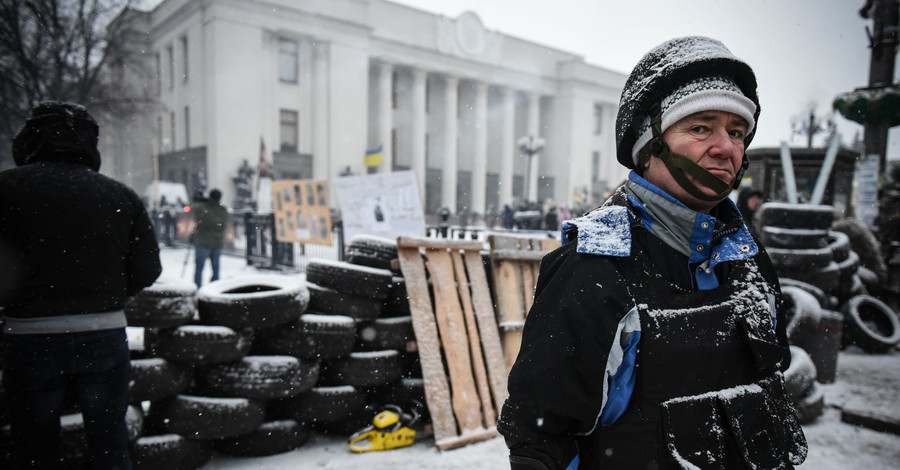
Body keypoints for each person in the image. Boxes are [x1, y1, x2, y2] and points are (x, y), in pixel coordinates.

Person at [497, 37, 807, 469]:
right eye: (700, 127)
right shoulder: (591, 267)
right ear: (648, 147)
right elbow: (542, 438)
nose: (725, 147)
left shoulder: (747, 255)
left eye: (736, 132)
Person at [0, 101, 162, 469]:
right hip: (103, 336)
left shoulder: (6, 189)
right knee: (109, 445)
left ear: (30, 138)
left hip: (29, 337)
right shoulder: (120, 196)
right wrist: (106, 296)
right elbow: (148, 268)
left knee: (33, 449)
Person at [193, 188, 229, 286]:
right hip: (216, 242)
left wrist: (201, 201)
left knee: (199, 268)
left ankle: (198, 287)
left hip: (202, 242)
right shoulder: (222, 210)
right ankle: (214, 287)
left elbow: (194, 211)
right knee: (216, 269)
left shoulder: (204, 208)